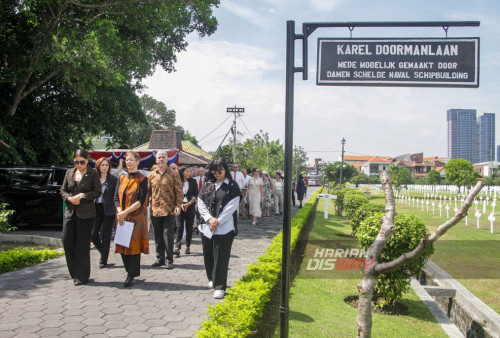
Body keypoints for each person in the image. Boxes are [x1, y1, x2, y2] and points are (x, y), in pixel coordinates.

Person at [197, 159, 241, 299]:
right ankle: (212, 278)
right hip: (207, 226)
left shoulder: (232, 186)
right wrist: (209, 219)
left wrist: (218, 221)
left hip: (225, 228)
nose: (217, 173)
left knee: (221, 257)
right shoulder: (208, 185)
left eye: (220, 169)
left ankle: (220, 286)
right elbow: (200, 202)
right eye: (214, 170)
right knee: (208, 254)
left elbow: (232, 205)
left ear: (225, 169)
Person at [60, 149, 101, 286]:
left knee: (82, 245)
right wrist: (69, 198)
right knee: (66, 240)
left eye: (82, 162)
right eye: (76, 162)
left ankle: (82, 276)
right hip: (71, 212)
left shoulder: (93, 173)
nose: (79, 165)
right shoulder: (69, 172)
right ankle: (74, 272)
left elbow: (97, 192)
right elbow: (63, 190)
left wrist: (82, 196)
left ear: (87, 161)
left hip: (86, 213)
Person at [114, 151, 149, 287]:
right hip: (122, 217)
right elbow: (115, 198)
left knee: (133, 247)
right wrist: (120, 212)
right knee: (123, 246)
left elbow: (141, 200)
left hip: (136, 218)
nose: (129, 162)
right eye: (127, 160)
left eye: (131, 160)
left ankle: (131, 275)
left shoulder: (142, 179)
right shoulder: (122, 178)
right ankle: (129, 271)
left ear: (137, 161)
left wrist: (125, 212)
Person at [147, 150, 183, 269]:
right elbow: (147, 192)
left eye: (163, 157)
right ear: (156, 160)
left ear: (167, 159)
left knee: (168, 235)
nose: (161, 159)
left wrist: (178, 205)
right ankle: (160, 258)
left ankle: (169, 259)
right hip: (155, 209)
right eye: (159, 158)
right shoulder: (151, 175)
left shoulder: (173, 174)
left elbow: (179, 191)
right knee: (157, 235)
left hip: (169, 209)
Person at [91, 157, 118, 269]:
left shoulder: (113, 179)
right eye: (102, 165)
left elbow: (115, 195)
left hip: (108, 209)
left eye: (106, 165)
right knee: (93, 234)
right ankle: (103, 251)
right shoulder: (94, 178)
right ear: (98, 166)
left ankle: (103, 260)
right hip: (96, 208)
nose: (104, 167)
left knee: (106, 235)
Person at [174, 166, 198, 256]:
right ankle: (177, 247)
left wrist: (188, 204)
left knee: (189, 227)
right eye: (187, 171)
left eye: (190, 171)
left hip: (190, 206)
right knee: (179, 226)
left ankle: (188, 246)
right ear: (182, 172)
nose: (189, 173)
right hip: (179, 206)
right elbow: (175, 194)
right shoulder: (178, 181)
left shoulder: (193, 181)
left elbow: (196, 194)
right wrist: (180, 204)